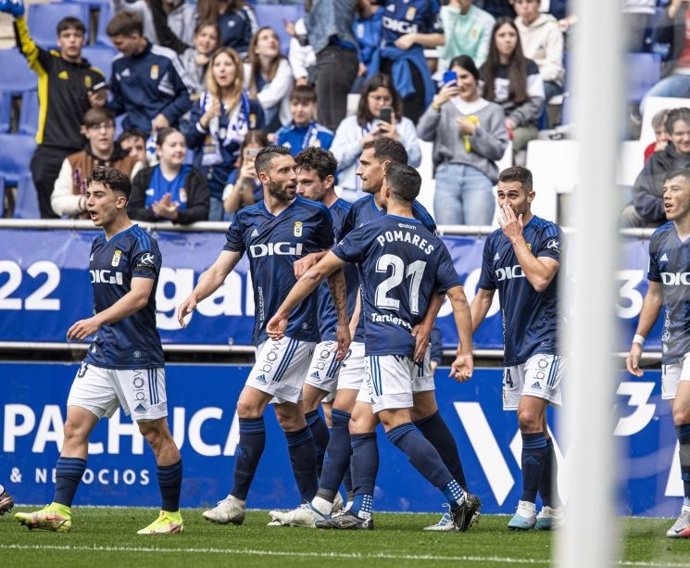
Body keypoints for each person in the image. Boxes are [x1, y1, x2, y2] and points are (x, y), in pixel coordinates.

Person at [268, 138, 478, 532]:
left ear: (386, 181)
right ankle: (359, 510)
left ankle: (458, 497)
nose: (359, 170)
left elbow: (323, 270)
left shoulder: (378, 225)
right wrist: (464, 349)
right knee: (359, 419)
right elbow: (456, 293)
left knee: (397, 423)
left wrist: (282, 311)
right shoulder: (425, 237)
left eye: (365, 164)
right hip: (396, 334)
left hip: (381, 339)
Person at [176, 146, 349, 524]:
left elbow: (334, 267)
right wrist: (195, 296)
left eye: (296, 171)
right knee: (291, 417)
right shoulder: (246, 218)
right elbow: (220, 270)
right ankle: (316, 503)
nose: (293, 177)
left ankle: (236, 501)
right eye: (285, 171)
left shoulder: (315, 214)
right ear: (265, 177)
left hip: (297, 328)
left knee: (247, 406)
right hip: (265, 329)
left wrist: (339, 320)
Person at [15, 167, 183, 535]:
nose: (90, 203)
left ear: (120, 201)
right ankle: (60, 509)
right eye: (88, 195)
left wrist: (96, 322)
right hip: (102, 354)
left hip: (137, 355)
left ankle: (171, 516)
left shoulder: (142, 241)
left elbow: (139, 297)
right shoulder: (98, 243)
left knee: (156, 435)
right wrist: (100, 329)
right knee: (74, 427)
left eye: (98, 196)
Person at [470, 165, 563, 530]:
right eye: (502, 195)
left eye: (514, 195)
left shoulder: (546, 233)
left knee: (528, 417)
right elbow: (482, 298)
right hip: (515, 345)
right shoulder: (494, 242)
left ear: (530, 196)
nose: (507, 202)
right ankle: (553, 509)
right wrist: (462, 342)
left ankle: (525, 505)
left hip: (549, 340)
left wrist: (517, 239)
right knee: (534, 425)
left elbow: (540, 279)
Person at [626, 168, 690, 539]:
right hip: (673, 343)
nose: (666, 196)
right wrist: (638, 340)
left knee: (683, 409)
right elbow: (654, 293)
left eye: (676, 189)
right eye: (664, 190)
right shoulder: (660, 238)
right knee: (682, 425)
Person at [288, 147, 358, 485]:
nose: (299, 188)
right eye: (296, 181)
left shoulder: (349, 214)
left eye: (307, 182)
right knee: (331, 415)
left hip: (338, 325)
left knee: (306, 405)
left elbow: (353, 256)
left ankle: (331, 493)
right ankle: (343, 497)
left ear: (328, 181)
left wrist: (318, 256)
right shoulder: (299, 216)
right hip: (310, 326)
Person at [0, 0, 106, 219]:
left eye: (77, 35)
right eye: (67, 36)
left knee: (85, 207)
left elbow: (103, 112)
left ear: (84, 40)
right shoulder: (49, 64)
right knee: (48, 206)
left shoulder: (95, 75)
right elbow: (26, 46)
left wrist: (100, 105)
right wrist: (19, 18)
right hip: (49, 147)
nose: (72, 40)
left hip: (81, 150)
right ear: (59, 40)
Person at [418, 54, 509, 225]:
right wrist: (436, 105)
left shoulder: (493, 110)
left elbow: (498, 150)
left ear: (475, 77)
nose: (460, 83)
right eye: (455, 78)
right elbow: (423, 133)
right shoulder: (444, 106)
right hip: (446, 176)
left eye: (465, 76)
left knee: (477, 237)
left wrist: (475, 132)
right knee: (449, 239)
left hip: (479, 176)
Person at [185, 47, 264, 221]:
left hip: (237, 179)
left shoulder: (251, 105)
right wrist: (206, 118)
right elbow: (190, 141)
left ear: (237, 68)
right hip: (207, 178)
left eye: (227, 64)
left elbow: (260, 144)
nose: (222, 69)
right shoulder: (203, 102)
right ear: (211, 71)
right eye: (217, 64)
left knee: (232, 238)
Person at [331, 73, 421, 202]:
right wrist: (360, 144)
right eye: (376, 97)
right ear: (366, 98)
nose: (381, 103)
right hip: (351, 196)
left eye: (386, 98)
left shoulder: (404, 124)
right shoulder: (350, 124)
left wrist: (399, 139)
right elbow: (334, 161)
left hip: (391, 197)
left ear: (393, 100)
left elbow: (416, 161)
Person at [107, 11, 194, 136]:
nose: (116, 48)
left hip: (162, 133)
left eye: (119, 43)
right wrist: (102, 107)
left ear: (135, 37)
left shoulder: (166, 58)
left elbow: (190, 94)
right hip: (133, 134)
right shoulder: (118, 63)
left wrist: (167, 115)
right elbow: (120, 102)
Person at [51, 108, 143, 219]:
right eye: (96, 127)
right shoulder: (73, 162)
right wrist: (84, 202)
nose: (103, 132)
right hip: (82, 232)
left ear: (114, 130)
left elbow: (137, 203)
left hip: (119, 231)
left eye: (108, 126)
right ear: (86, 132)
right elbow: (57, 202)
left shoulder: (133, 164)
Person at [366, 0, 445, 124]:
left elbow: (441, 38)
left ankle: (405, 141)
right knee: (383, 111)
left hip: (410, 66)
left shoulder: (428, 3)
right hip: (385, 63)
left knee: (407, 115)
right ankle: (384, 141)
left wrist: (414, 37)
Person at [480, 18, 545, 164]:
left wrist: (513, 120)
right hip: (492, 127)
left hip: (523, 126)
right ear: (494, 40)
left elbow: (536, 103)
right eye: (502, 35)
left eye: (511, 34)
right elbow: (479, 103)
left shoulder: (529, 67)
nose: (507, 40)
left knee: (505, 144)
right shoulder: (485, 69)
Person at [623, 108, 690, 228]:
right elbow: (640, 194)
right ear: (670, 135)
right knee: (629, 214)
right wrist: (665, 206)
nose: (686, 138)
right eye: (680, 134)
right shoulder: (656, 159)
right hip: (659, 217)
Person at [304, 0, 365, 131]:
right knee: (326, 121)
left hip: (335, 56)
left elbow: (331, 28)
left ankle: (333, 152)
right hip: (330, 58)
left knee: (330, 125)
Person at [128, 128, 209, 224]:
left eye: (182, 145)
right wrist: (156, 212)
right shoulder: (143, 176)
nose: (179, 149)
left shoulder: (195, 177)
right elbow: (131, 210)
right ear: (159, 150)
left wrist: (176, 215)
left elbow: (202, 211)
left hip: (186, 238)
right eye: (173, 145)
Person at [514, 0, 565, 104]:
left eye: (529, 2)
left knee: (529, 99)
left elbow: (554, 69)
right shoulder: (513, 27)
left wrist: (529, 80)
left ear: (539, 3)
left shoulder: (551, 28)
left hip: (546, 81)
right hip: (518, 80)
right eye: (519, 2)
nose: (525, 7)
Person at [245, 27, 294, 131]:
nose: (271, 40)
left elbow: (272, 97)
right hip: (251, 120)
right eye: (265, 38)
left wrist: (246, 103)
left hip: (280, 126)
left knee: (268, 88)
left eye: (275, 37)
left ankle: (257, 135)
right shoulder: (246, 67)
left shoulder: (284, 65)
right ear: (256, 49)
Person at [222, 129, 269, 219]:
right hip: (243, 227)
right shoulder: (236, 174)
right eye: (250, 151)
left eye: (257, 151)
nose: (253, 156)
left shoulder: (273, 174)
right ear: (243, 152)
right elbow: (228, 208)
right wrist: (242, 180)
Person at [275, 85, 334, 156]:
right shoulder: (279, 135)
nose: (299, 109)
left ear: (314, 106)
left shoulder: (327, 136)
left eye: (305, 104)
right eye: (295, 104)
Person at [438, 0, 495, 72]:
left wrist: (467, 75)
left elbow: (482, 58)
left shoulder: (487, 20)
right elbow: (443, 54)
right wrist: (452, 15)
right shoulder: (442, 14)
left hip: (474, 74)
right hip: (447, 72)